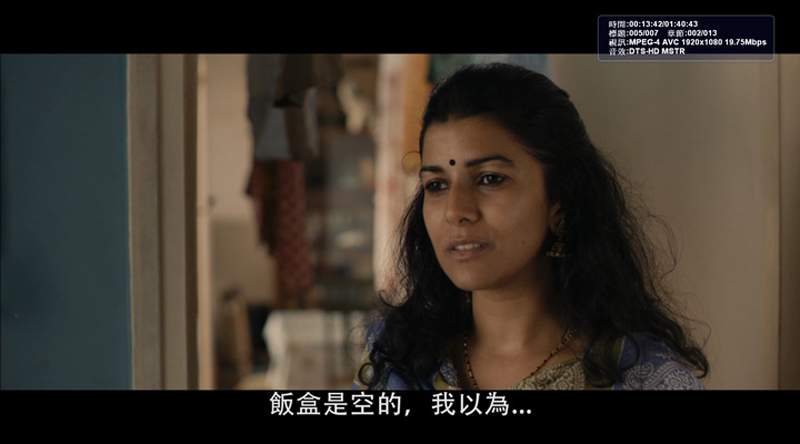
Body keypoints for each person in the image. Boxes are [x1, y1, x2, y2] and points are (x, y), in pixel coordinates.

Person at [354, 63, 709, 390]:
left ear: (560, 201)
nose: (456, 211)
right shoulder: (400, 361)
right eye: (436, 185)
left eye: (490, 179)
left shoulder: (642, 377)